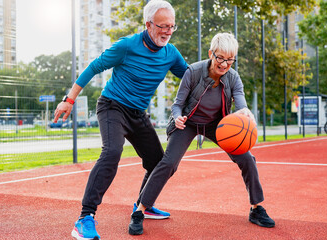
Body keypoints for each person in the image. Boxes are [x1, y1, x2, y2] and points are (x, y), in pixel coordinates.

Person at [53, 0, 188, 239]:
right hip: (112, 106)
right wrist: (69, 99)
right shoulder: (127, 46)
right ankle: (85, 218)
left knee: (160, 163)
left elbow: (190, 78)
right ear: (148, 24)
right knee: (112, 152)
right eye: (163, 26)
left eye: (172, 27)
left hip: (138, 113)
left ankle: (142, 205)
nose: (168, 31)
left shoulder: (171, 54)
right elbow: (94, 67)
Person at [130, 32, 275, 235]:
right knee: (168, 163)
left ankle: (256, 208)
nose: (225, 64)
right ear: (211, 53)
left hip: (217, 125)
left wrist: (246, 115)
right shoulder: (193, 71)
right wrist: (178, 117)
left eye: (230, 60)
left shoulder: (233, 78)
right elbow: (178, 104)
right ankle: (140, 211)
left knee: (247, 158)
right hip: (187, 122)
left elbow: (241, 105)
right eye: (221, 58)